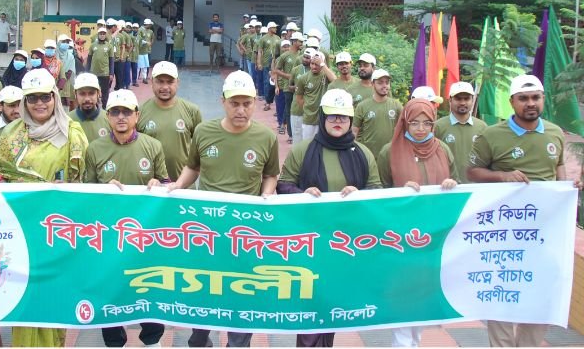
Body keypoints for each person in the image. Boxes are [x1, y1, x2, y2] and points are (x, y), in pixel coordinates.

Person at [168, 70, 278, 348]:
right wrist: (178, 185)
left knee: (244, 289)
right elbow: (193, 167)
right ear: (223, 102)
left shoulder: (266, 137)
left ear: (254, 102)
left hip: (247, 232)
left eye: (247, 103)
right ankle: (201, 335)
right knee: (206, 285)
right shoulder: (204, 132)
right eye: (234, 103)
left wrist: (266, 196)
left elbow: (271, 174)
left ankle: (238, 342)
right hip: (208, 231)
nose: (241, 110)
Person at [466, 74, 568, 348]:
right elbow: (472, 171)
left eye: (536, 97)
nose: (530, 104)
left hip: (545, 233)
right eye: (523, 98)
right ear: (512, 102)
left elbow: (558, 167)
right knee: (502, 292)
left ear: (543, 99)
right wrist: (503, 177)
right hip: (505, 231)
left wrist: (567, 187)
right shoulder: (492, 135)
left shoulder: (555, 133)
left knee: (541, 294)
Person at [278, 89, 382, 347]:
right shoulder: (303, 150)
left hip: (346, 244)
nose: (338, 122)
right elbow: (283, 185)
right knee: (311, 306)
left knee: (333, 304)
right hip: (310, 243)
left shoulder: (363, 153)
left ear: (350, 121)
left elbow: (377, 191)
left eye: (344, 118)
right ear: (323, 118)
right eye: (333, 116)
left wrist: (360, 194)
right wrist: (303, 193)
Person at [0, 71, 86, 347]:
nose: (40, 103)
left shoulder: (72, 133)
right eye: (32, 98)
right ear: (24, 102)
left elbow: (81, 181)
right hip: (21, 227)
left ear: (55, 98)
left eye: (45, 97)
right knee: (25, 292)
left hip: (57, 228)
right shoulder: (11, 134)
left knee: (55, 292)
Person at [83, 89, 167, 348]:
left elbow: (166, 181)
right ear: (108, 117)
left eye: (126, 112)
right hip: (108, 236)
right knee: (110, 288)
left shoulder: (152, 146)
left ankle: (152, 339)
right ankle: (113, 340)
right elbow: (87, 192)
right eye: (115, 112)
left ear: (136, 115)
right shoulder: (95, 149)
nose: (121, 117)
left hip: (144, 236)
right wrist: (102, 190)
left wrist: (158, 183)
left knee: (148, 286)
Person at [376, 98, 458, 348]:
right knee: (402, 295)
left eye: (427, 123)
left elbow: (456, 182)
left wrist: (452, 186)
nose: (421, 129)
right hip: (400, 237)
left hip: (433, 237)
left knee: (422, 295)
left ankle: (415, 341)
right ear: (405, 122)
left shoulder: (442, 148)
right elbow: (378, 190)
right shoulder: (390, 151)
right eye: (414, 123)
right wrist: (399, 193)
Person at [138, 62, 202, 182]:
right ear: (152, 82)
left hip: (183, 186)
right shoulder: (139, 112)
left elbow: (200, 148)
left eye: (170, 82)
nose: (165, 87)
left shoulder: (192, 111)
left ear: (178, 82)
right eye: (160, 81)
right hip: (150, 187)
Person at [434, 82, 488, 183]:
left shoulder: (482, 127)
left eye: (466, 98)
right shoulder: (438, 126)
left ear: (472, 100)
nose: (463, 102)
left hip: (475, 187)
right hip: (447, 185)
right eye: (458, 99)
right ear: (450, 100)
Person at [352, 69, 402, 159]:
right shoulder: (362, 106)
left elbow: (403, 129)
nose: (384, 86)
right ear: (372, 84)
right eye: (380, 83)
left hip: (389, 155)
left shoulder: (396, 105)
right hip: (367, 156)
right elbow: (354, 131)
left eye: (387, 83)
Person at [296, 50, 337, 141]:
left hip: (325, 118)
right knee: (308, 144)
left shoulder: (326, 76)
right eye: (312, 63)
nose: (314, 66)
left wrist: (323, 65)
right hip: (309, 119)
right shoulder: (303, 78)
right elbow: (299, 98)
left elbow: (335, 81)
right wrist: (308, 108)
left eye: (317, 64)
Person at [275, 31, 304, 140]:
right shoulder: (285, 55)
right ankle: (290, 134)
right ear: (294, 41)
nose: (301, 43)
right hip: (288, 87)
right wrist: (289, 76)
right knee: (289, 110)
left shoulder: (302, 55)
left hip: (300, 88)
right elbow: (276, 70)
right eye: (300, 41)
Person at [69, 73, 111, 143]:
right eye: (82, 94)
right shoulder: (67, 120)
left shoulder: (109, 119)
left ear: (99, 93)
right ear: (75, 94)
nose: (87, 99)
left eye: (91, 93)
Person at [289, 48, 315, 146]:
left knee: (309, 141)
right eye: (304, 57)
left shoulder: (316, 72)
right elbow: (289, 86)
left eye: (308, 58)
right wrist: (297, 87)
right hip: (297, 109)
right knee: (297, 137)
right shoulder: (296, 69)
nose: (305, 59)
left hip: (311, 111)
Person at [86, 27, 115, 108]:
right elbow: (89, 60)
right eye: (100, 34)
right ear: (98, 35)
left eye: (103, 34)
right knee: (94, 91)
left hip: (105, 73)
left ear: (105, 35)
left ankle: (105, 107)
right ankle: (95, 107)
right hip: (94, 73)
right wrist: (87, 72)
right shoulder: (93, 46)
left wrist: (111, 73)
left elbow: (111, 61)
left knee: (105, 92)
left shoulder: (109, 46)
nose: (102, 35)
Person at [257, 22, 281, 110]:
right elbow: (259, 51)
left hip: (276, 63)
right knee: (267, 82)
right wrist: (259, 63)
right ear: (270, 28)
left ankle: (272, 99)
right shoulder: (263, 39)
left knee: (275, 82)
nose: (276, 29)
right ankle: (267, 102)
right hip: (266, 63)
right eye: (274, 27)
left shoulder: (278, 38)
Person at [56, 34, 77, 110]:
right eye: (64, 42)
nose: (66, 44)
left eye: (67, 42)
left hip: (66, 84)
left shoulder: (70, 56)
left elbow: (70, 72)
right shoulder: (54, 55)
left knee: (65, 106)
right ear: (58, 43)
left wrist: (63, 78)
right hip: (54, 83)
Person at [138, 19, 155, 83]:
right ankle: (137, 78)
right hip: (140, 51)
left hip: (147, 51)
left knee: (146, 65)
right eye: (150, 24)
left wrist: (150, 43)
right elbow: (139, 39)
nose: (150, 25)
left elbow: (152, 38)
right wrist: (146, 42)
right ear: (147, 24)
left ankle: (145, 77)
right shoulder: (140, 30)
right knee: (139, 66)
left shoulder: (151, 31)